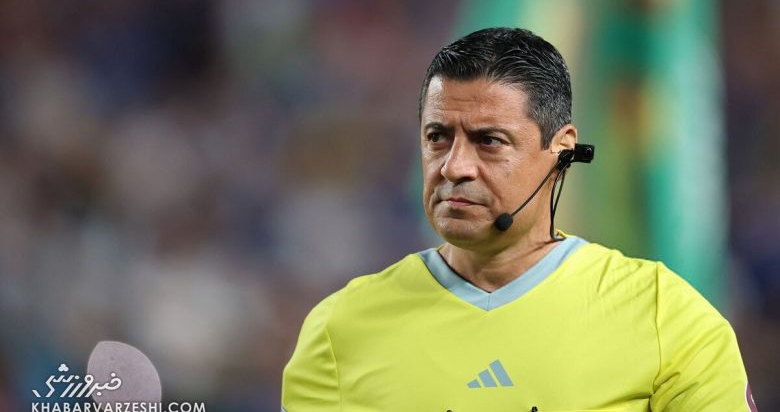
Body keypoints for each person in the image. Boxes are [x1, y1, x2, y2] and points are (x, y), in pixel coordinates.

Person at [281, 27, 756, 411]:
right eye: (438, 137)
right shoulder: (338, 331)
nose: (454, 166)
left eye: (489, 141)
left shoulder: (664, 315)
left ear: (562, 151)